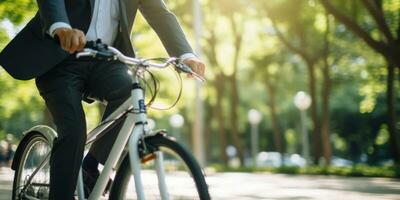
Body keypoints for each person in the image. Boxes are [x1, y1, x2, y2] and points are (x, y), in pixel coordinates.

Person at [0, 0, 205, 199]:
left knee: (132, 94)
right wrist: (60, 27)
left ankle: (89, 168)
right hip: (60, 60)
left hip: (105, 61)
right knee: (73, 130)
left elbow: (160, 13)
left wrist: (186, 55)